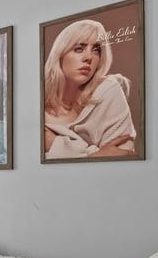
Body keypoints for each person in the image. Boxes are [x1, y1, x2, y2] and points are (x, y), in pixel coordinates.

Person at [43, 19, 136, 159]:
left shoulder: (109, 91)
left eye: (96, 50)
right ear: (60, 54)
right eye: (79, 49)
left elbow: (122, 156)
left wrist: (57, 145)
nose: (89, 57)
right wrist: (97, 153)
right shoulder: (36, 103)